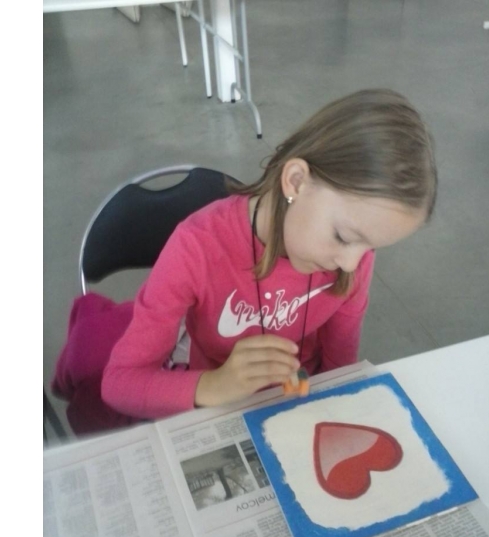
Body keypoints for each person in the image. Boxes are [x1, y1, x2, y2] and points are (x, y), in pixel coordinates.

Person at [100, 88, 438, 421]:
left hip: (299, 403)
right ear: (296, 181)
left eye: (371, 247)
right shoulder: (197, 248)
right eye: (343, 237)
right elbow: (120, 383)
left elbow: (339, 368)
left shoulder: (352, 257)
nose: (351, 264)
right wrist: (215, 385)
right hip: (219, 406)